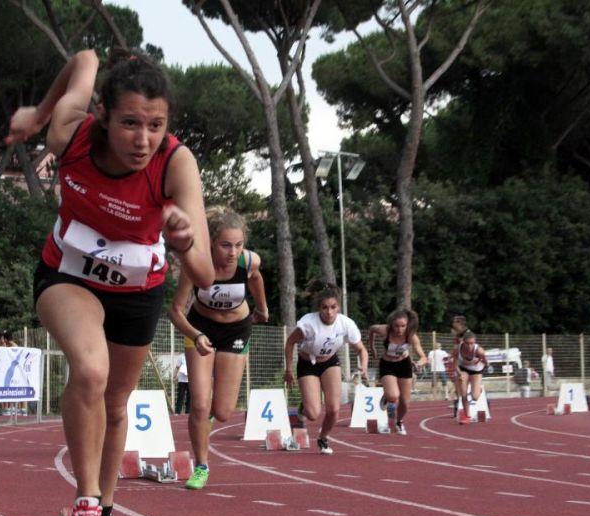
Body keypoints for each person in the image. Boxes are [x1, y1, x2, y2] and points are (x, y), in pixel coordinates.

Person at [7, 48, 213, 516]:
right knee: (90, 370)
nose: (143, 140)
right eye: (129, 123)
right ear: (102, 114)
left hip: (139, 292)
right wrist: (38, 113)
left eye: (156, 125)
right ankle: (84, 503)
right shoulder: (69, 136)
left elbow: (207, 274)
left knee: (117, 403)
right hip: (68, 274)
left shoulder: (175, 163)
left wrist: (185, 240)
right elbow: (84, 57)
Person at [170, 207, 267, 488]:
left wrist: (262, 308)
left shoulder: (248, 262)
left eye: (238, 245)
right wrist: (196, 334)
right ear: (212, 243)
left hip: (237, 330)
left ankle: (209, 417)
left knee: (223, 412)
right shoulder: (197, 265)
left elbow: (257, 279)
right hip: (202, 329)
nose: (233, 252)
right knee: (199, 404)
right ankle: (201, 466)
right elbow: (175, 311)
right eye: (226, 245)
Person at [285, 284, 368, 454]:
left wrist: (364, 367)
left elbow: (361, 349)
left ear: (338, 307)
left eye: (333, 307)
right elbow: (290, 342)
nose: (329, 312)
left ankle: (323, 438)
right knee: (313, 413)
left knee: (334, 409)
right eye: (325, 308)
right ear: (319, 308)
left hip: (330, 362)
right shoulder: (308, 324)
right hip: (308, 363)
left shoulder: (346, 324)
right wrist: (288, 370)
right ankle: (304, 407)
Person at [368, 309, 427, 435]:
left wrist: (418, 363)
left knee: (405, 402)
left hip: (404, 364)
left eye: (403, 326)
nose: (399, 329)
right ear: (391, 324)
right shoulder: (385, 330)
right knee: (393, 396)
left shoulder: (411, 336)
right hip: (387, 364)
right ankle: (388, 396)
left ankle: (399, 421)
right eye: (396, 326)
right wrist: (371, 346)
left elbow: (423, 356)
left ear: (407, 325)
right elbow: (372, 329)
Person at [454, 331, 489, 424]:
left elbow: (487, 363)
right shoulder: (457, 349)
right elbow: (454, 363)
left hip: (476, 371)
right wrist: (459, 373)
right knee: (463, 394)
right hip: (463, 369)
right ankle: (467, 416)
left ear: (475, 342)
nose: (470, 346)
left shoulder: (479, 351)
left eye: (472, 343)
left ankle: (478, 390)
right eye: (467, 343)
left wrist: (480, 363)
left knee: (475, 397)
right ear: (463, 341)